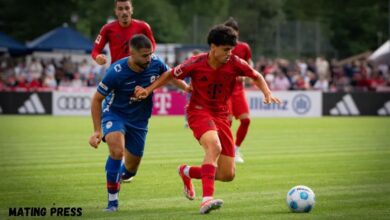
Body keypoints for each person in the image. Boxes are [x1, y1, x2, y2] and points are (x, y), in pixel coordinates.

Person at [134, 25, 281, 214]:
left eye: (231, 50)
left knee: (227, 174)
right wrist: (148, 90)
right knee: (214, 147)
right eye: (226, 49)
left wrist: (267, 93)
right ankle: (206, 200)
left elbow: (257, 75)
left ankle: (186, 171)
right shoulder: (195, 62)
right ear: (213, 47)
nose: (230, 54)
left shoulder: (235, 63)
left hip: (220, 115)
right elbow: (170, 75)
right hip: (198, 111)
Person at [88, 34, 188, 212]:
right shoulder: (116, 71)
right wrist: (97, 131)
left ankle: (117, 176)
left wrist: (187, 88)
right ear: (131, 53)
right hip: (115, 114)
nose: (148, 59)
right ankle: (112, 203)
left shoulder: (156, 63)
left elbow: (170, 76)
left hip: (139, 120)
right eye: (144, 55)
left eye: (150, 54)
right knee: (117, 150)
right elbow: (96, 100)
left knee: (131, 170)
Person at [91, 0, 156, 66]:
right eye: (120, 9)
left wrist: (147, 55)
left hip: (138, 72)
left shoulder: (144, 27)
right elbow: (95, 51)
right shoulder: (106, 29)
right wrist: (97, 57)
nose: (124, 12)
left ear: (132, 10)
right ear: (116, 11)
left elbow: (152, 45)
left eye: (127, 8)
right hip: (117, 72)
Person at [224, 17, 252, 164]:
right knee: (227, 122)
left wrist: (246, 76)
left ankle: (235, 149)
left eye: (234, 33)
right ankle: (226, 152)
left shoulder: (244, 48)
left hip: (239, 90)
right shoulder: (221, 47)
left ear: (238, 33)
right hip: (225, 90)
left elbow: (249, 65)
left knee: (246, 120)